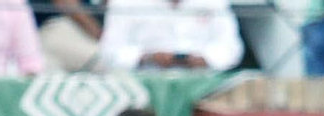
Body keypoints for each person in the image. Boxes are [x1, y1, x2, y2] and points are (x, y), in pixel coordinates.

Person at [97, 0, 243, 70]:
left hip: (204, 86)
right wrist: (148, 57)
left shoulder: (214, 2)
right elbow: (109, 52)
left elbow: (232, 48)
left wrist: (203, 59)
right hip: (142, 85)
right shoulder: (124, 3)